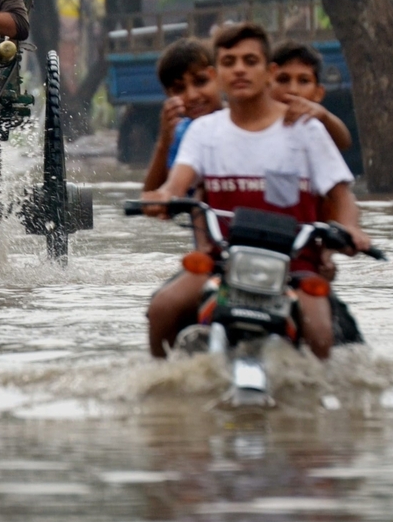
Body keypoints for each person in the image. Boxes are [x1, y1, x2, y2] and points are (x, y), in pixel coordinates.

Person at [142, 23, 371, 361]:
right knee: (162, 308)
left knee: (321, 332)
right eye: (229, 61)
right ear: (216, 73)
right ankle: (162, 395)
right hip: (220, 264)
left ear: (269, 71)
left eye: (250, 61)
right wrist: (162, 196)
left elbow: (341, 197)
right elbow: (176, 184)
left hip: (295, 267)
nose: (239, 69)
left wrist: (351, 229)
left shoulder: (306, 128)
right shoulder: (203, 131)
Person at [142, 39, 223, 192]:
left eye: (201, 82)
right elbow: (151, 201)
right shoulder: (182, 134)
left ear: (218, 77)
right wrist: (164, 141)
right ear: (169, 95)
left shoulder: (244, 121)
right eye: (179, 89)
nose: (192, 96)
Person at [269, 40, 352, 151]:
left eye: (303, 81)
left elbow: (344, 142)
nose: (293, 90)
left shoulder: (315, 126)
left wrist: (325, 117)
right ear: (267, 85)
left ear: (319, 93)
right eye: (283, 80)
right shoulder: (255, 125)